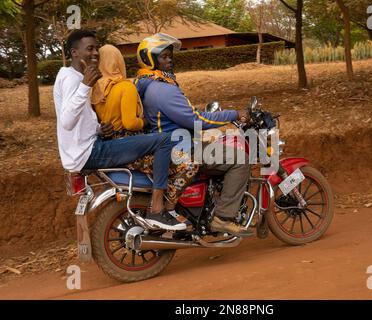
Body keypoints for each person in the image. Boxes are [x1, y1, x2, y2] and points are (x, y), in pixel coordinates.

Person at [53, 29, 185, 231]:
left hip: (87, 147)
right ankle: (158, 209)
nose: (95, 53)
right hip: (90, 152)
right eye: (89, 49)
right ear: (75, 52)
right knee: (163, 140)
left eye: (96, 48)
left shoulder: (69, 75)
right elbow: (67, 121)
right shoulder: (75, 80)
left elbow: (77, 120)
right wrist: (85, 86)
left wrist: (98, 128)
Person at [134, 33, 253, 237]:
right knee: (239, 159)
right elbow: (195, 120)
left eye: (170, 55)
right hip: (181, 147)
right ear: (149, 59)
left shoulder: (147, 83)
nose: (170, 59)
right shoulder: (162, 89)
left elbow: (181, 114)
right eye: (163, 56)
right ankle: (223, 218)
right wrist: (234, 114)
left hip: (171, 142)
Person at [91, 44, 198, 225]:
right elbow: (130, 123)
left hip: (110, 144)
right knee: (190, 164)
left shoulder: (96, 90)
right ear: (119, 62)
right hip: (130, 144)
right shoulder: (125, 87)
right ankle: (166, 209)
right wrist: (146, 122)